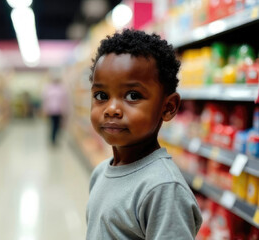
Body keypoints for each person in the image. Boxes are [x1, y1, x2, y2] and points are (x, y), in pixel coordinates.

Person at [86, 29, 203, 239]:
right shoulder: (100, 172)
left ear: (168, 107)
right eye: (101, 95)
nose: (111, 109)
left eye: (133, 95)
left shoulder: (164, 189)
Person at [42, 77, 68, 145]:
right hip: (52, 111)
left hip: (57, 111)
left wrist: (64, 110)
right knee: (54, 125)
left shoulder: (60, 89)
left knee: (56, 125)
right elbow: (46, 101)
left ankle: (54, 138)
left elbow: (63, 101)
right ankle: (53, 139)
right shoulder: (50, 89)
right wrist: (45, 110)